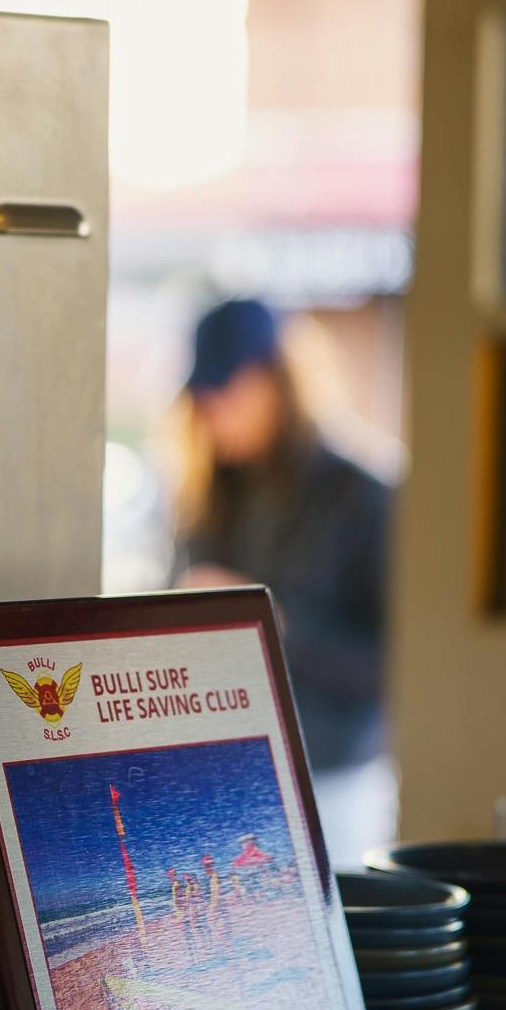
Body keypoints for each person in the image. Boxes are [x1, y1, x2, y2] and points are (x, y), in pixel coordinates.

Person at [172, 298, 396, 868]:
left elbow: (395, 662)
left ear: (278, 381)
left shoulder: (364, 494)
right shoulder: (208, 496)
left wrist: (273, 622)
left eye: (230, 389)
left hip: (336, 778)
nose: (215, 409)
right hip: (231, 776)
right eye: (205, 394)